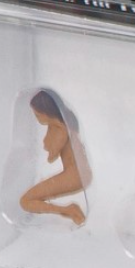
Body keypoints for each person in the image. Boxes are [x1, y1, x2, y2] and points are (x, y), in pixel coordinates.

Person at [20, 89, 90, 225]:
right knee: (29, 199)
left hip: (76, 176)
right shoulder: (61, 125)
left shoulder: (60, 129)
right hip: (81, 172)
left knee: (25, 201)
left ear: (46, 112)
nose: (36, 118)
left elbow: (52, 156)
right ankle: (70, 211)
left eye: (37, 114)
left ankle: (68, 210)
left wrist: (47, 142)